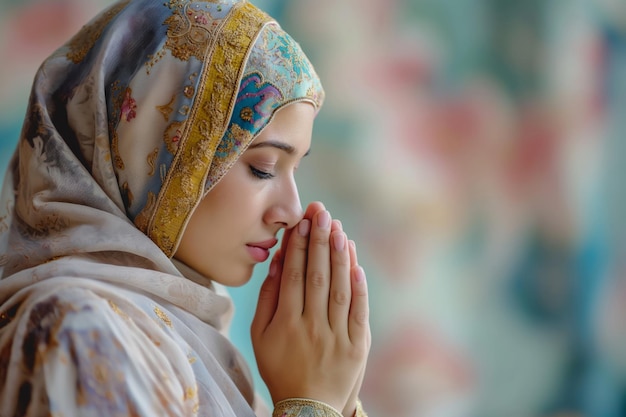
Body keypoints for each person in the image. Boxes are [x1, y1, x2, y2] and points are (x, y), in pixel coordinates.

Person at [0, 0, 371, 416]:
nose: (290, 211)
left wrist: (333, 393)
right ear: (149, 147)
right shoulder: (81, 332)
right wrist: (311, 403)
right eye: (263, 168)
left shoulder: (180, 337)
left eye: (295, 168)